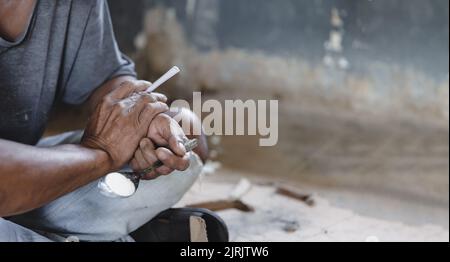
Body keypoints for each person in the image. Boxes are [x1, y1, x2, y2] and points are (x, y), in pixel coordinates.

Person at [0, 0, 227, 242]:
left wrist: (145, 120)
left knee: (186, 133)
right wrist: (101, 153)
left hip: (21, 168)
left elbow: (104, 80)